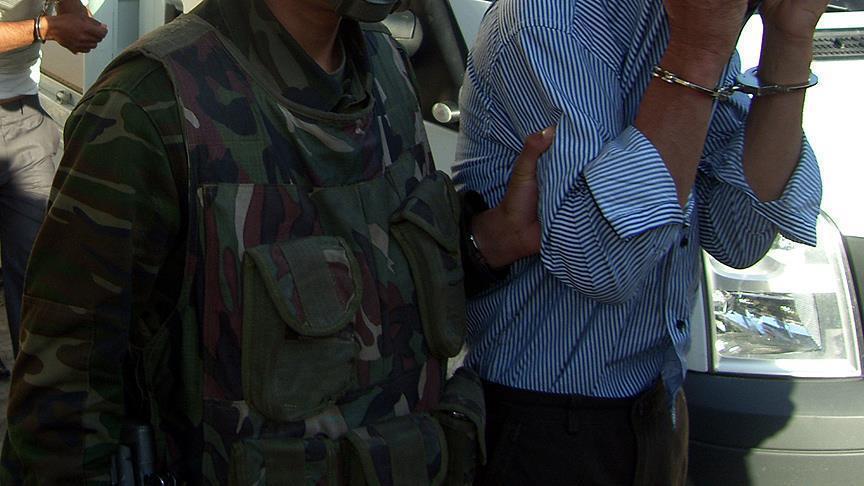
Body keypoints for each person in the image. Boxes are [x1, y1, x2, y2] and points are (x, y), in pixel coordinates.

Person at [0, 0, 552, 483]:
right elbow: (62, 404)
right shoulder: (144, 110)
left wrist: (486, 243)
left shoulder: (386, 70)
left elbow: (384, 294)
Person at [454, 0, 825, 484]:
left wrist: (789, 38)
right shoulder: (551, 20)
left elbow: (739, 234)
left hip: (657, 401)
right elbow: (603, 264)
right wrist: (699, 50)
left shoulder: (683, 18)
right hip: (545, 418)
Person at [0, 0, 107, 377]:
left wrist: (73, 15)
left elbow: (66, 8)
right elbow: (48, 26)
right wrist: (47, 28)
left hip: (26, 116)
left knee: (37, 262)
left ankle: (35, 382)